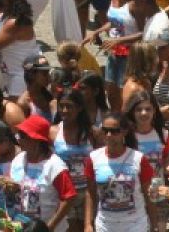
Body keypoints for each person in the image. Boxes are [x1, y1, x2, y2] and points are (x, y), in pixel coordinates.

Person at [0, 115, 77, 232]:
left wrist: (49, 227)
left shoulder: (55, 166)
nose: (18, 139)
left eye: (22, 136)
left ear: (36, 140)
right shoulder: (18, 160)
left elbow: (69, 198)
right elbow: (16, 188)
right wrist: (9, 185)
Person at [84, 112, 157, 232]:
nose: (108, 135)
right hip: (105, 225)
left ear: (124, 132)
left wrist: (154, 224)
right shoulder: (93, 158)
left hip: (135, 224)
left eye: (114, 131)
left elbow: (148, 194)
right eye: (105, 130)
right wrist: (88, 224)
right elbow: (90, 193)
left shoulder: (138, 159)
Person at [51, 89, 99, 232]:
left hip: (88, 192)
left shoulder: (92, 133)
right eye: (62, 106)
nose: (65, 110)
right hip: (65, 193)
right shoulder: (53, 132)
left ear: (79, 108)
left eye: (69, 106)